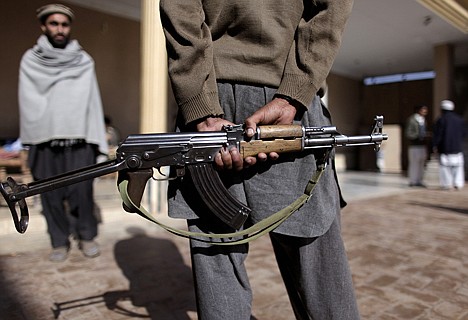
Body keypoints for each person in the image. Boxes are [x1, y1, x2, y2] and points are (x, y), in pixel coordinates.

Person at [160, 1, 359, 319]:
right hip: (286, 106)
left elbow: (180, 10)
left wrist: (201, 106)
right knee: (318, 268)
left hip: (210, 101)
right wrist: (295, 93)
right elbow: (331, 9)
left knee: (218, 260)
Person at [18, 4, 108, 262]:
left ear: (70, 27)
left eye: (64, 24)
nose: (59, 29)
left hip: (79, 140)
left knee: (82, 193)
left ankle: (87, 235)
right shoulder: (31, 60)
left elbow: (93, 103)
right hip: (44, 141)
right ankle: (59, 241)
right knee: (50, 196)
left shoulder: (83, 61)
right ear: (44, 26)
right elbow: (28, 102)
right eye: (54, 23)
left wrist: (96, 140)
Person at [432, 100, 465, 190]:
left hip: (445, 148)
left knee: (445, 167)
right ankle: (458, 183)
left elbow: (438, 134)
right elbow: (464, 133)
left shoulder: (441, 120)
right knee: (458, 167)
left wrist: (434, 145)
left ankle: (447, 184)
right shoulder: (460, 120)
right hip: (457, 147)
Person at [405, 105, 429, 187]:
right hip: (414, 145)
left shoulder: (423, 120)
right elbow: (409, 133)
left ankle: (419, 180)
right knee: (414, 163)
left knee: (421, 163)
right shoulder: (412, 120)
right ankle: (413, 180)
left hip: (422, 145)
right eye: (423, 110)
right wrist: (417, 136)